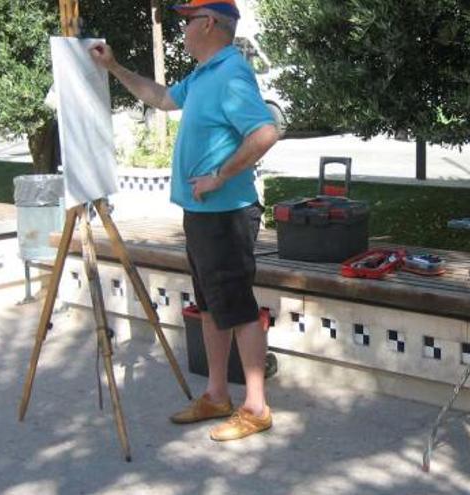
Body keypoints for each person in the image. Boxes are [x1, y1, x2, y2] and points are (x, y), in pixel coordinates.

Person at [89, 0, 279, 442]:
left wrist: (220, 176)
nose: (183, 31)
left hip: (227, 215)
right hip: (201, 216)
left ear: (209, 23)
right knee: (211, 307)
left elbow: (265, 131)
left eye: (187, 22)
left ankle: (255, 407)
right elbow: (159, 97)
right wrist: (115, 67)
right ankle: (216, 394)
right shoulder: (203, 75)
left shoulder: (231, 73)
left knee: (240, 309)